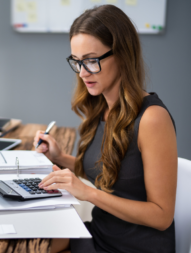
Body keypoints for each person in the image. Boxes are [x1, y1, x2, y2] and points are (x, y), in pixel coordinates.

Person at [33, 5, 177, 253]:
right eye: (77, 62)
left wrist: (88, 193)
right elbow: (112, 177)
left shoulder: (152, 118)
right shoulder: (103, 108)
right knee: (26, 242)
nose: (82, 73)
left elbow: (161, 216)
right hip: (99, 232)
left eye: (91, 60)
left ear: (122, 54)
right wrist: (60, 158)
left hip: (134, 247)